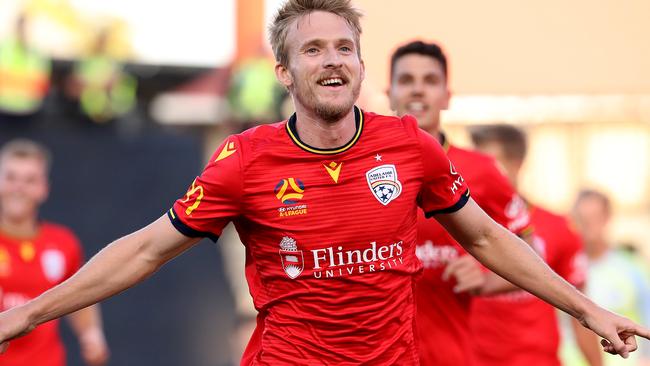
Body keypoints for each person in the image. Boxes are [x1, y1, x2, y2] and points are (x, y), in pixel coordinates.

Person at [0, 1, 648, 364]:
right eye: (312, 50)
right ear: (285, 73)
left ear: (362, 64)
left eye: (343, 47)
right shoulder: (246, 161)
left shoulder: (408, 147)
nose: (331, 59)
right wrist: (30, 312)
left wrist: (586, 308)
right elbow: (145, 249)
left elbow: (487, 238)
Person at [386, 40, 532, 366]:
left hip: (452, 356)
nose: (418, 91)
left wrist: (486, 275)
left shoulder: (481, 170)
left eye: (430, 81)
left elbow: (532, 247)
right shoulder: (362, 167)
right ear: (390, 93)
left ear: (447, 96)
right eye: (407, 80)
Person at [470, 124, 603, 366]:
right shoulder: (455, 228)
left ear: (517, 164)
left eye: (489, 164)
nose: (478, 173)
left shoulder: (560, 228)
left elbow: (582, 313)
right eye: (474, 164)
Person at [0, 139, 109, 366]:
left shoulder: (63, 243)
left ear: (43, 188)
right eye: (11, 177)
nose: (19, 187)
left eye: (29, 180)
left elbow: (78, 292)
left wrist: (91, 334)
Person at [569, 189, 650, 366]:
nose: (589, 225)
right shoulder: (562, 268)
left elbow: (647, 312)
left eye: (594, 218)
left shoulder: (631, 266)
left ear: (607, 218)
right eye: (583, 219)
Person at [0, 13, 51, 123]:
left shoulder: (36, 52)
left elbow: (43, 84)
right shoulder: (4, 49)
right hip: (7, 108)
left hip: (28, 108)